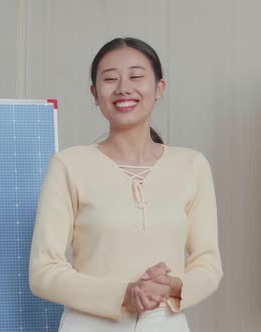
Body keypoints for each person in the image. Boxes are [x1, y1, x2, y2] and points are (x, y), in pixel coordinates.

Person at [29, 37, 223, 332]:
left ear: (159, 88)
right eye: (109, 79)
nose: (123, 88)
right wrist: (124, 295)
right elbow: (43, 272)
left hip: (166, 322)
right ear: (95, 94)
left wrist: (171, 286)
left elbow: (208, 263)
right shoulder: (69, 165)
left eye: (136, 76)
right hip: (89, 323)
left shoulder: (191, 166)